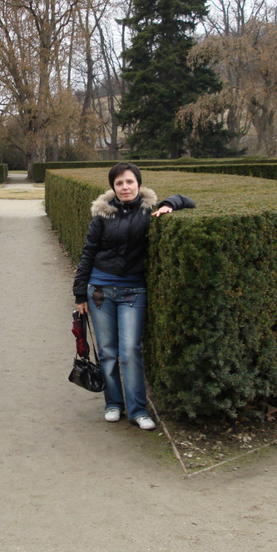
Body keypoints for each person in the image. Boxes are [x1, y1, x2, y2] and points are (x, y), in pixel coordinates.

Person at [73, 162, 196, 430]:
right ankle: (113, 404)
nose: (125, 187)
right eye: (119, 183)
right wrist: (79, 293)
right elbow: (87, 255)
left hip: (133, 290)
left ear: (138, 184)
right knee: (107, 352)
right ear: (113, 188)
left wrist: (169, 204)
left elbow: (189, 200)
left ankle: (139, 409)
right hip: (99, 292)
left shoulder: (149, 211)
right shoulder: (101, 218)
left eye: (129, 182)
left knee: (130, 351)